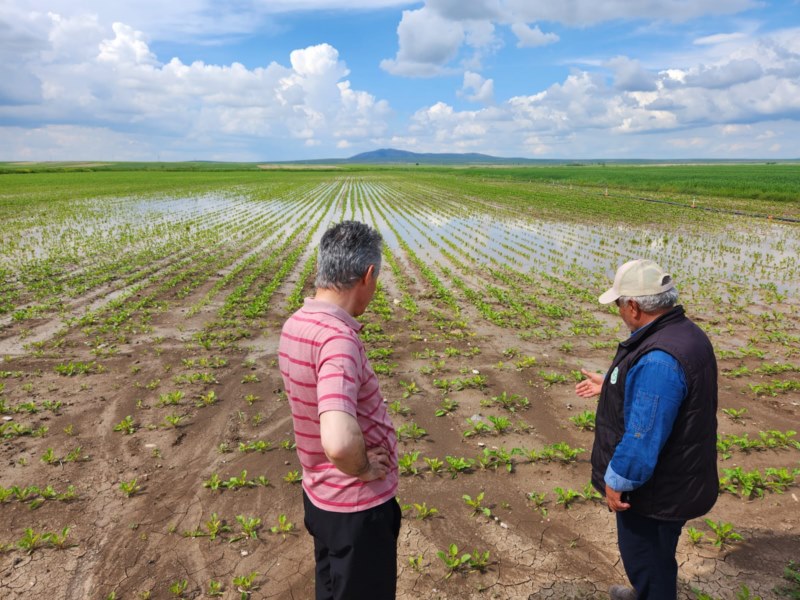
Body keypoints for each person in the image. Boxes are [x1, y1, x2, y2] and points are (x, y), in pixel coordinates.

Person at [575, 259, 718, 600]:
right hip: (681, 479)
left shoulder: (658, 359)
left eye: (620, 305)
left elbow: (642, 438)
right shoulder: (686, 334)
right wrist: (611, 385)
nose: (620, 312)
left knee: (646, 558)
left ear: (635, 307)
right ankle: (646, 590)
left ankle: (651, 592)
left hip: (656, 493)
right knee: (658, 553)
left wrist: (616, 481)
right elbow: (664, 400)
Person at [278, 221, 400, 600]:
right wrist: (364, 467)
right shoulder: (337, 340)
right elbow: (339, 441)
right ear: (367, 276)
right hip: (357, 509)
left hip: (321, 496)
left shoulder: (297, 324)